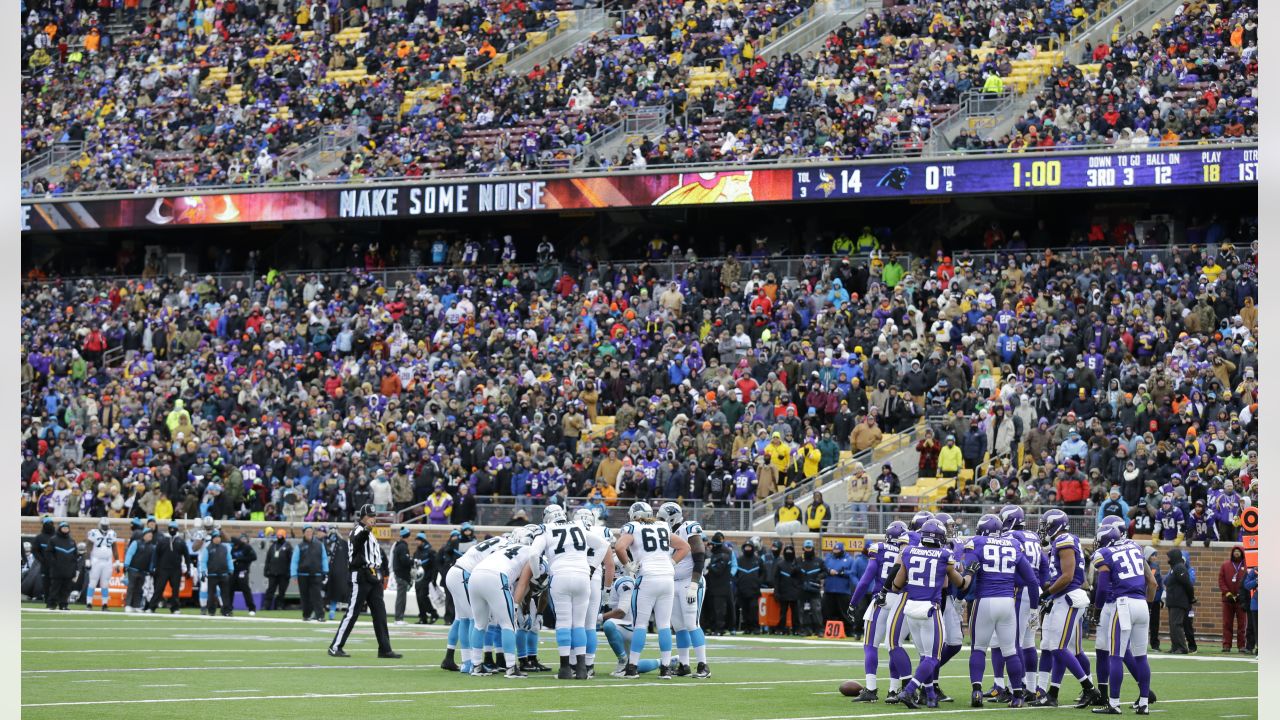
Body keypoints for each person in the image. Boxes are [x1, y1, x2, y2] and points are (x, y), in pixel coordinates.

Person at [888, 519, 975, 708]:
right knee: (933, 657)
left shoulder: (909, 552)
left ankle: (930, 696)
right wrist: (969, 573)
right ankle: (909, 690)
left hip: (910, 609)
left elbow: (896, 585)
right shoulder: (945, 555)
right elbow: (960, 584)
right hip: (930, 610)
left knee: (924, 654)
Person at [965, 514, 1038, 708]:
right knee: (1010, 650)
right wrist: (1034, 609)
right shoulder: (1013, 544)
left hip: (985, 601)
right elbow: (1031, 580)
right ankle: (1017, 695)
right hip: (1007, 601)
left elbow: (967, 571)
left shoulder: (976, 542)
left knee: (979, 648)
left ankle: (977, 691)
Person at [613, 501, 691, 678]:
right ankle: (665, 668)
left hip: (648, 576)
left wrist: (628, 565)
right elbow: (684, 546)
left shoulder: (632, 527)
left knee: (640, 624)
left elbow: (619, 547)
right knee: (664, 625)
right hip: (667, 578)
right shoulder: (663, 525)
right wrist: (671, 563)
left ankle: (632, 667)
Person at [1031, 509, 1100, 707]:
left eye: (1045, 525)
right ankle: (1050, 694)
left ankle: (1089, 689)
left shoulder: (1064, 541)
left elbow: (1068, 576)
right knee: (1050, 646)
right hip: (1060, 597)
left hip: (1068, 597)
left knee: (1059, 647)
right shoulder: (1061, 541)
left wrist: (1046, 593)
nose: (1043, 529)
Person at [530, 504, 608, 679]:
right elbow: (603, 545)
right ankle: (581, 669)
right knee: (579, 624)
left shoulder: (545, 529)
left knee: (564, 623)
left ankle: (565, 668)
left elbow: (533, 554)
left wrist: (537, 576)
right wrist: (592, 567)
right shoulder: (578, 525)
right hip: (582, 575)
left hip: (560, 575)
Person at [1091, 522, 1158, 715]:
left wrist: (1097, 608)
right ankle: (1144, 703)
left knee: (1115, 655)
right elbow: (1152, 583)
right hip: (1142, 604)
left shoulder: (1106, 554)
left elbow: (1103, 588)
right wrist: (1149, 606)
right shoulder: (1135, 548)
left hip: (1122, 605)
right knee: (1141, 656)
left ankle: (1114, 703)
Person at [468, 524, 541, 678]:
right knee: (508, 624)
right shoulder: (530, 552)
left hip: (475, 575)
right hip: (496, 577)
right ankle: (511, 667)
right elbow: (522, 583)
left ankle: (476, 665)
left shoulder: (502, 548)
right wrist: (515, 605)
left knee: (479, 624)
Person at [329, 504, 400, 659]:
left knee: (380, 614)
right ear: (362, 517)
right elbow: (358, 542)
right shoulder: (358, 531)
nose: (372, 520)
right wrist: (367, 529)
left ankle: (385, 649)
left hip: (373, 576)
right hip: (360, 575)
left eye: (374, 517)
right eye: (369, 516)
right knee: (352, 613)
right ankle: (335, 647)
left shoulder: (371, 534)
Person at [847, 521, 909, 702]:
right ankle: (893, 690)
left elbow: (866, 579)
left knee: (870, 645)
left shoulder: (879, 549)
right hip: (902, 601)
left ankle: (871, 689)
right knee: (895, 646)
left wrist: (853, 603)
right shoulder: (909, 550)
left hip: (882, 600)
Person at [656, 502, 710, 677]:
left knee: (692, 623)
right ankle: (684, 665)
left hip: (690, 581)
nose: (659, 521)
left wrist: (694, 583)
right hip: (673, 582)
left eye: (662, 518)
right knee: (678, 626)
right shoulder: (664, 533)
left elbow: (699, 554)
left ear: (672, 517)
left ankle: (703, 665)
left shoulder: (688, 527)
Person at [441, 533, 508, 674]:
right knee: (474, 619)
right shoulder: (504, 545)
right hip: (463, 574)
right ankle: (471, 662)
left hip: (454, 571)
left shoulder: (495, 540)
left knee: (461, 618)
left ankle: (460, 660)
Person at [292, 525, 329, 622]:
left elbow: (324, 558)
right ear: (304, 533)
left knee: (317, 596)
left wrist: (325, 571)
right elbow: (294, 561)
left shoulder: (320, 545)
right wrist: (294, 575)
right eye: (307, 531)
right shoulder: (299, 546)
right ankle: (306, 615)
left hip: (316, 574)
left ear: (312, 533)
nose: (309, 533)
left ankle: (320, 616)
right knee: (305, 597)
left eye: (310, 531)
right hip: (302, 575)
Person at [149, 520, 186, 613]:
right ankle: (151, 607)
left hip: (176, 570)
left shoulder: (180, 541)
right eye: (170, 528)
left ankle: (175, 608)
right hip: (163, 569)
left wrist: (188, 567)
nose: (172, 530)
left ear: (177, 529)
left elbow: (186, 555)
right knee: (159, 588)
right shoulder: (163, 540)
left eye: (174, 528)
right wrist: (153, 566)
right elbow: (155, 555)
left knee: (175, 590)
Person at [1163, 548, 1195, 654]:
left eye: (1169, 557)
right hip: (1173, 601)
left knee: (1176, 624)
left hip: (1179, 601)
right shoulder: (1174, 568)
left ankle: (1182, 647)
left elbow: (1188, 584)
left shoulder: (1180, 568)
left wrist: (1191, 598)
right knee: (1173, 625)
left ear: (1174, 557)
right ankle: (1175, 647)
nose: (1168, 559)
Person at [1218, 546, 1248, 653]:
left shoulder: (1246, 566)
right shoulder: (1225, 565)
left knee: (1242, 624)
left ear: (1242, 553)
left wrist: (1241, 594)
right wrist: (1228, 593)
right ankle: (1226, 645)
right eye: (1234, 551)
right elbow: (1221, 580)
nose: (1236, 553)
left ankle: (1241, 646)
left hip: (1241, 600)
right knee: (1227, 623)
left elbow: (1248, 581)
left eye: (1238, 552)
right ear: (1232, 553)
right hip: (1228, 600)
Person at [84, 518, 118, 611]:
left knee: (105, 583)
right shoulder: (94, 533)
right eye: (104, 526)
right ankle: (89, 603)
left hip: (107, 561)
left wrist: (117, 561)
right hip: (96, 560)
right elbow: (89, 546)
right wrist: (87, 560)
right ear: (99, 525)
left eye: (106, 526)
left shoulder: (112, 533)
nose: (105, 527)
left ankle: (104, 604)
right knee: (93, 582)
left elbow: (114, 547)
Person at [822, 541, 855, 636]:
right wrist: (829, 571)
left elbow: (852, 573)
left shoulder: (849, 559)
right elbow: (823, 569)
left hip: (843, 591)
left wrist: (842, 573)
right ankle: (827, 630)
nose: (836, 551)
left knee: (844, 613)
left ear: (842, 550)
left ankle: (849, 630)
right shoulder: (828, 558)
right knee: (827, 611)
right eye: (834, 549)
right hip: (829, 590)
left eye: (838, 549)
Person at [199, 529, 234, 616]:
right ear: (213, 538)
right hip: (212, 574)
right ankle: (211, 611)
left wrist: (231, 569)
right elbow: (203, 561)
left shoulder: (224, 548)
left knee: (225, 594)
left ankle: (226, 611)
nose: (218, 539)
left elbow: (229, 559)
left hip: (223, 574)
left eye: (219, 537)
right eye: (216, 537)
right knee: (211, 594)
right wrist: (203, 571)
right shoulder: (208, 548)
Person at [123, 526, 156, 613]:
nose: (150, 536)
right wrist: (126, 564)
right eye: (149, 534)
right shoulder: (136, 543)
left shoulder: (152, 547)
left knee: (139, 589)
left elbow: (152, 560)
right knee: (131, 587)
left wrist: (151, 569)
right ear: (144, 535)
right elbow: (130, 553)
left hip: (143, 571)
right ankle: (128, 605)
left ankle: (136, 605)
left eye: (151, 534)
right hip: (133, 569)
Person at [47, 521, 80, 611]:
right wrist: (54, 563)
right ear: (60, 529)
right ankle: (52, 604)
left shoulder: (72, 541)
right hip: (57, 570)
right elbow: (49, 553)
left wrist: (75, 569)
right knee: (55, 588)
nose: (65, 529)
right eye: (63, 527)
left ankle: (63, 605)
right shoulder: (53, 540)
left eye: (67, 528)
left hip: (69, 570)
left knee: (66, 589)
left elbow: (75, 557)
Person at [735, 539, 763, 634]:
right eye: (746, 547)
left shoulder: (758, 560)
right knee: (745, 611)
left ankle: (756, 628)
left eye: (749, 547)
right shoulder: (739, 560)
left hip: (754, 591)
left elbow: (763, 574)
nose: (748, 549)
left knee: (754, 610)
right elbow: (735, 574)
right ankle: (747, 628)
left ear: (753, 548)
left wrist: (758, 582)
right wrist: (738, 582)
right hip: (742, 591)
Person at [323, 525, 351, 620]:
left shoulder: (343, 544)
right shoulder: (323, 542)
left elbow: (348, 558)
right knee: (321, 591)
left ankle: (332, 610)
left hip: (336, 572)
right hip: (324, 571)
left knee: (335, 591)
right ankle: (319, 610)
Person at [412, 532, 439, 624]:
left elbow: (435, 566)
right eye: (416, 540)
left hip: (427, 578)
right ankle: (423, 617)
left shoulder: (430, 551)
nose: (417, 542)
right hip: (418, 579)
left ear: (423, 541)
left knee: (422, 596)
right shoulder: (416, 552)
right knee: (418, 598)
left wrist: (433, 579)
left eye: (418, 540)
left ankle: (433, 613)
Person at [263, 528, 291, 611]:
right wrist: (266, 570)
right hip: (273, 572)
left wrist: (289, 572)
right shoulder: (273, 546)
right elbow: (268, 559)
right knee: (270, 590)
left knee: (282, 591)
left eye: (281, 535)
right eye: (278, 535)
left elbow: (290, 560)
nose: (279, 537)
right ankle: (266, 606)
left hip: (284, 573)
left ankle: (279, 606)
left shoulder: (288, 546)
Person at [231, 533, 258, 615]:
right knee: (230, 589)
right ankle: (228, 608)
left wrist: (239, 559)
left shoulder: (247, 547)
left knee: (245, 589)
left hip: (243, 570)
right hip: (234, 571)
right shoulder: (234, 548)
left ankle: (251, 608)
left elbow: (254, 557)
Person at [392, 527, 413, 625]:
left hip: (399, 574)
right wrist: (413, 561)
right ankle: (398, 618)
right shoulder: (402, 547)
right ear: (408, 536)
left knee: (401, 597)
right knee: (401, 598)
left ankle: (399, 617)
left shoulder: (398, 545)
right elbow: (405, 561)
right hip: (401, 575)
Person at [33, 517, 56, 608]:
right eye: (47, 524)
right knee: (46, 584)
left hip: (56, 566)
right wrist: (42, 560)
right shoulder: (39, 538)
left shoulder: (56, 537)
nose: (49, 525)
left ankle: (54, 601)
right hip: (45, 566)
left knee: (55, 584)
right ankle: (47, 601)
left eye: (51, 523)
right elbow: (35, 551)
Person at [1243, 567, 1258, 655]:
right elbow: (1247, 585)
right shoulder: (1255, 571)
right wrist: (1256, 581)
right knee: (1256, 629)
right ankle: (1257, 649)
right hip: (1256, 605)